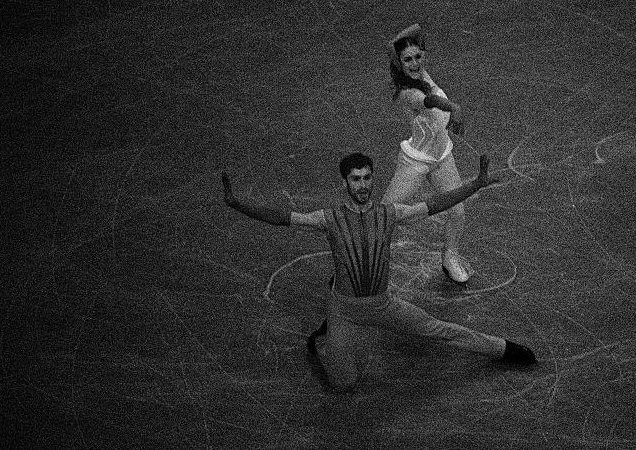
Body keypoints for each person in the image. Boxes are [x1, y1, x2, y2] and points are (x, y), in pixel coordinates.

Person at [222, 152, 536, 392]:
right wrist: (238, 205)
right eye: (356, 179)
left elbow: (437, 203)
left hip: (383, 304)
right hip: (344, 309)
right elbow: (280, 217)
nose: (362, 185)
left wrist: (475, 185)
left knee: (441, 330)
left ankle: (503, 348)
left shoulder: (391, 213)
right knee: (343, 384)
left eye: (367, 178)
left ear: (373, 178)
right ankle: (321, 341)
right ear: (345, 182)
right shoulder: (327, 218)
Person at [383, 23, 473, 282]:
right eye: (407, 59)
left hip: (442, 156)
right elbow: (431, 102)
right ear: (399, 64)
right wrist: (453, 106)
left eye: (418, 57)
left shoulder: (423, 75)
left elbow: (412, 33)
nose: (414, 63)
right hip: (417, 162)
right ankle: (366, 264)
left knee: (457, 211)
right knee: (384, 217)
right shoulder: (407, 93)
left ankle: (449, 258)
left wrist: (406, 40)